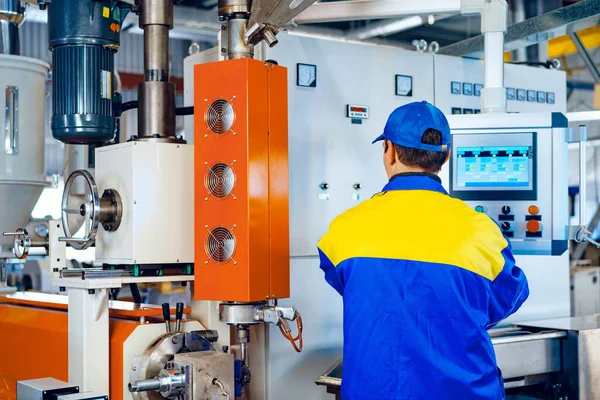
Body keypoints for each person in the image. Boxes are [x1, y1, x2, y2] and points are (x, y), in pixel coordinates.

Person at [317, 101, 529, 400]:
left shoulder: (344, 229)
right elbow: (508, 297)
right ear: (447, 154)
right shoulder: (481, 230)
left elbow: (349, 285)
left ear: (389, 151)